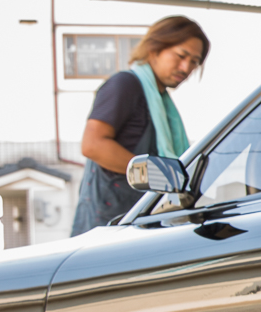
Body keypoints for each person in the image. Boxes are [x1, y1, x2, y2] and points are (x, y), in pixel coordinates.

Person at [71, 16, 209, 235]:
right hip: (111, 227)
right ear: (154, 49)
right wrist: (164, 177)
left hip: (141, 224)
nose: (186, 67)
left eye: (194, 61)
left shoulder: (162, 103)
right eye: (181, 56)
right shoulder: (125, 84)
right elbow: (93, 145)